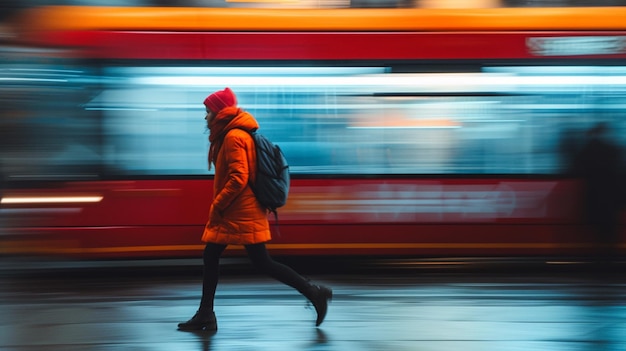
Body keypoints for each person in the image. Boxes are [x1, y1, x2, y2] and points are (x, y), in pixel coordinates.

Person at [178, 87, 332, 331]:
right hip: (240, 210)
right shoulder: (234, 134)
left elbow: (239, 177)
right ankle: (205, 313)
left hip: (239, 211)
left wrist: (218, 203)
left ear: (219, 113)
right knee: (229, 258)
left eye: (208, 112)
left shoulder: (232, 137)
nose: (205, 117)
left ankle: (314, 292)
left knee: (251, 260)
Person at [573, 122, 624, 268]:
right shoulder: (614, 150)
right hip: (611, 198)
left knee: (599, 231)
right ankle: (610, 259)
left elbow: (577, 168)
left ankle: (601, 259)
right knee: (610, 230)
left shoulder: (586, 150)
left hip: (594, 196)